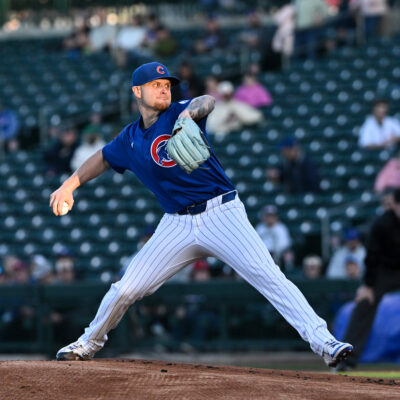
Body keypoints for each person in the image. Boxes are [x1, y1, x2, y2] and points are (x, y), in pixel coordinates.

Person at [50, 61, 352, 367]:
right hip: (176, 224)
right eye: (156, 86)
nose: (164, 89)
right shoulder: (129, 138)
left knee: (269, 276)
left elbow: (206, 101)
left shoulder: (179, 111)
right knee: (125, 288)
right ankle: (88, 342)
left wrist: (186, 115)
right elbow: (102, 157)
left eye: (167, 84)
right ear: (137, 92)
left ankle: (325, 342)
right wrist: (69, 185)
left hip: (221, 213)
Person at [336, 188, 400, 371]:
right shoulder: (381, 224)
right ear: (394, 205)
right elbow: (372, 257)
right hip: (384, 273)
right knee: (364, 303)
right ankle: (345, 359)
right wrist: (368, 286)